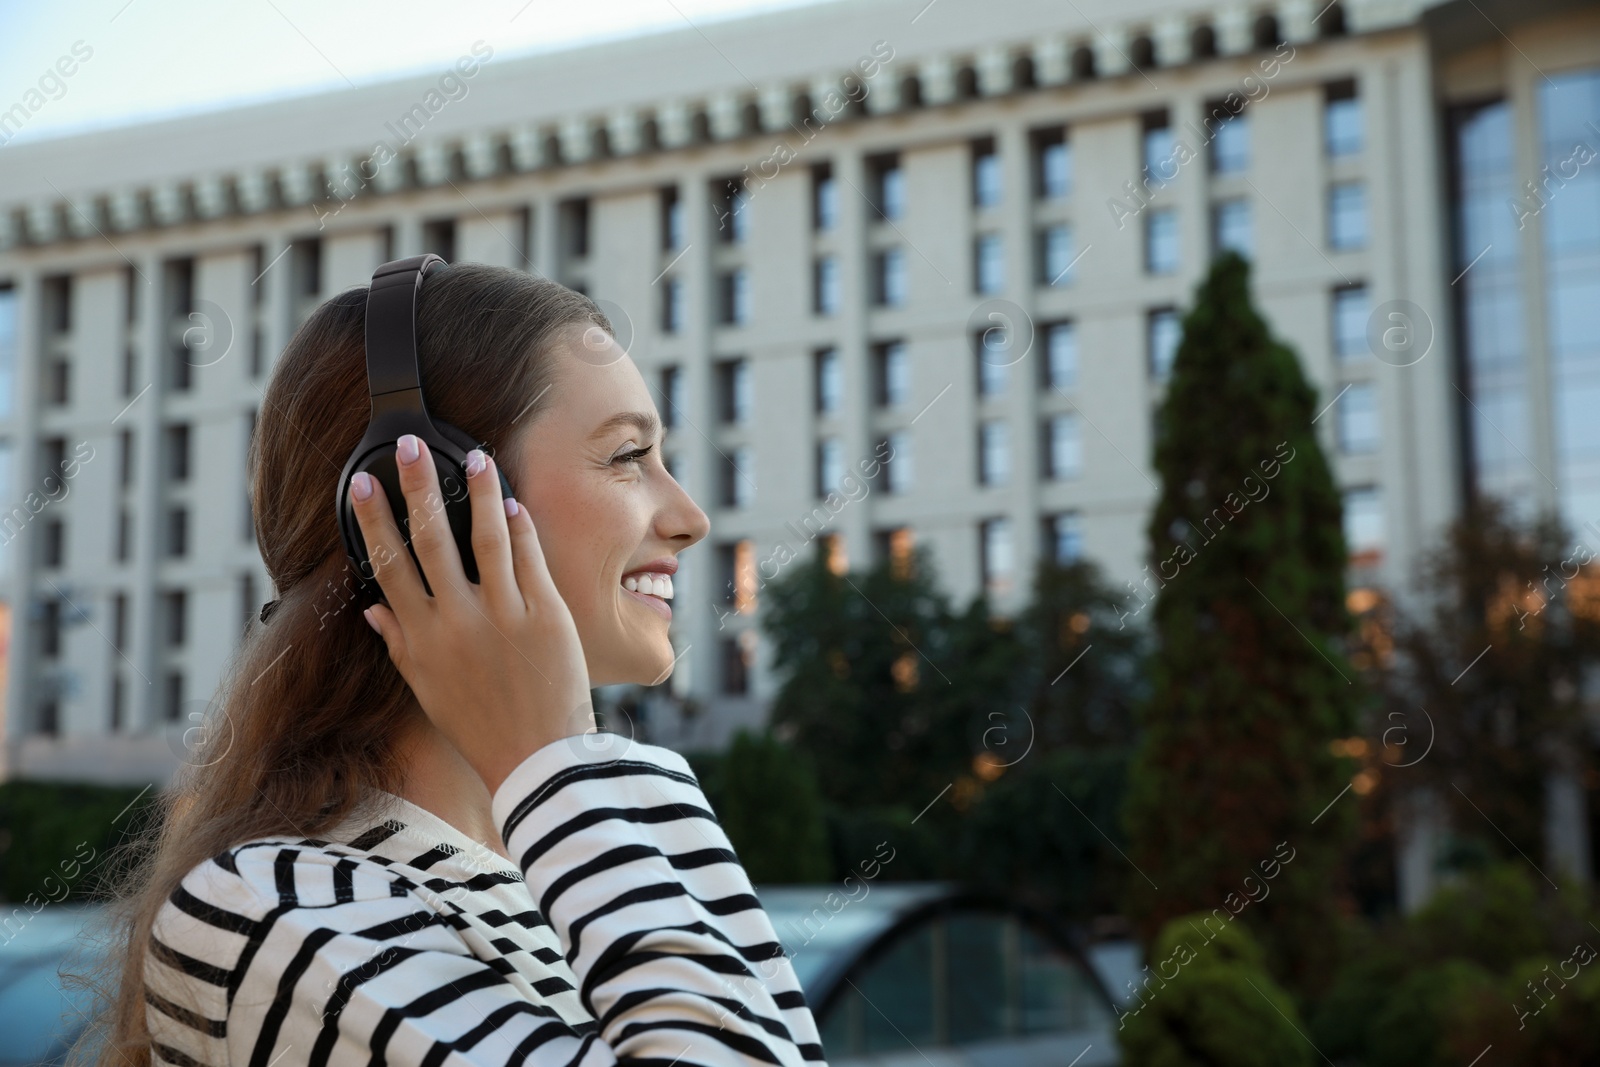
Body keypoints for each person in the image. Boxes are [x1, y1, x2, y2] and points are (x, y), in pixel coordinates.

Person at [85, 264, 826, 1066]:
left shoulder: (609, 835)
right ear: (430, 502)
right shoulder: (271, 914)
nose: (690, 518)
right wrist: (554, 757)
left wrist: (561, 768)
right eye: (626, 456)